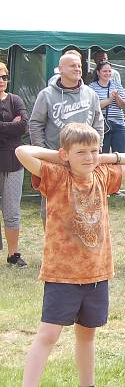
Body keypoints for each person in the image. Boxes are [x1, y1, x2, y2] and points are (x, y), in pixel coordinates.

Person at [15, 123, 125, 387]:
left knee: (87, 335)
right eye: (81, 152)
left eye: (93, 151)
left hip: (96, 273)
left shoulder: (103, 175)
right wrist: (61, 158)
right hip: (62, 274)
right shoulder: (55, 176)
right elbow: (22, 151)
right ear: (65, 154)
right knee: (49, 334)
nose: (89, 157)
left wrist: (101, 158)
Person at [29, 51, 104, 226]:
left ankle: (82, 246)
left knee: (85, 209)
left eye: (79, 65)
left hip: (84, 163)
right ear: (60, 69)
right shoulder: (46, 95)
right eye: (72, 65)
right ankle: (55, 245)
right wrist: (44, 153)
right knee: (52, 209)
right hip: (56, 161)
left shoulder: (90, 94)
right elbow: (35, 124)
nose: (77, 69)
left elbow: (98, 123)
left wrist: (95, 150)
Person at [0, 61, 28, 267]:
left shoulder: (15, 99)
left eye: (5, 77)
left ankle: (13, 254)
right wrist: (12, 125)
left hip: (12, 161)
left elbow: (23, 126)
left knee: (12, 210)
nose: (2, 81)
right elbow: (16, 126)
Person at [89, 60, 125, 154]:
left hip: (118, 123)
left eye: (109, 71)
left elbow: (123, 105)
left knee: (122, 154)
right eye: (105, 71)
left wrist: (117, 96)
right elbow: (93, 106)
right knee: (102, 154)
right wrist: (109, 100)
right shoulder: (92, 87)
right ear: (98, 72)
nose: (108, 73)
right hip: (102, 125)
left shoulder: (117, 85)